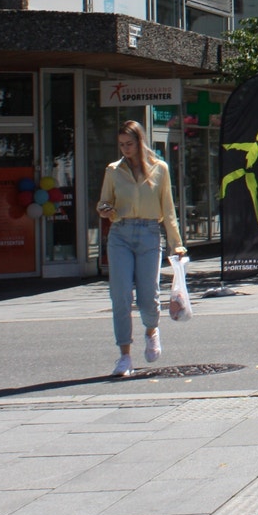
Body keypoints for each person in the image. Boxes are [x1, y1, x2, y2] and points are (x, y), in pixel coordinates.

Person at [97, 120, 186, 378]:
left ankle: (151, 330)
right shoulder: (113, 170)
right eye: (121, 145)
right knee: (121, 295)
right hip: (120, 233)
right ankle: (124, 355)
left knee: (149, 296)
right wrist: (105, 209)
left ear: (139, 142)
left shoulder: (160, 169)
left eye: (129, 144)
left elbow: (168, 210)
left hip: (149, 233)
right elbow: (104, 201)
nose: (125, 149)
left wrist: (176, 243)